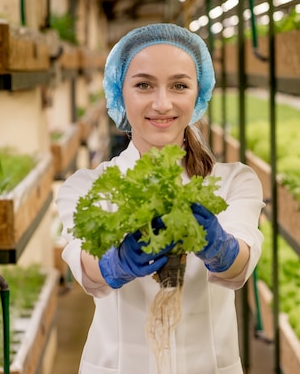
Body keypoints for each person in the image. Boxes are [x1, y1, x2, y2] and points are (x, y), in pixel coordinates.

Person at [56, 23, 265, 374]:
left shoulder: (233, 181)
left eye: (179, 85)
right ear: (120, 93)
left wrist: (219, 247)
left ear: (198, 94)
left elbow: (239, 267)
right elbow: (85, 265)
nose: (162, 103)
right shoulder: (86, 186)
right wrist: (116, 263)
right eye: (143, 85)